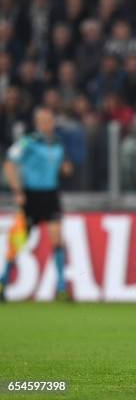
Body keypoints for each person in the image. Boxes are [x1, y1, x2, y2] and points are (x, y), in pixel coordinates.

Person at [1, 107, 73, 302]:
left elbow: (59, 165)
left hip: (51, 196)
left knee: (57, 239)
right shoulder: (28, 141)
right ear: (37, 123)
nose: (48, 124)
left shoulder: (57, 142)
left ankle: (60, 288)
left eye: (50, 120)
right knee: (18, 241)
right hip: (31, 196)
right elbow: (9, 163)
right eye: (43, 120)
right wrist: (17, 190)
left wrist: (65, 168)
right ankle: (3, 281)